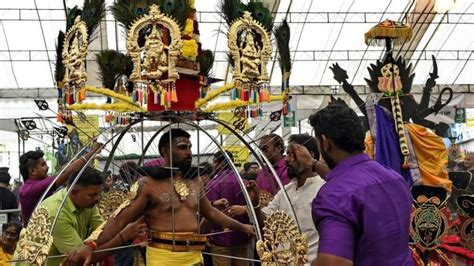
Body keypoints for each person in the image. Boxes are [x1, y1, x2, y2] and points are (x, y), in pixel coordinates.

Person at [63, 128, 255, 265]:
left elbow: (211, 212)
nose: (189, 152)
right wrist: (91, 245)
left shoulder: (195, 182)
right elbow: (119, 219)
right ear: (165, 151)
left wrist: (243, 227)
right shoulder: (148, 184)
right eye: (182, 147)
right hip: (164, 258)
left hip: (195, 257)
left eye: (189, 147)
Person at [293, 104, 412, 265]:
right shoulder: (394, 178)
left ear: (325, 142)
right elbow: (351, 186)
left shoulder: (333, 195)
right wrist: (312, 163)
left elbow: (333, 263)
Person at [13, 166, 146, 266]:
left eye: (99, 193)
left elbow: (101, 232)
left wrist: (124, 227)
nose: (98, 199)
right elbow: (82, 258)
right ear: (75, 192)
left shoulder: (88, 203)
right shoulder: (56, 213)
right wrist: (123, 236)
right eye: (93, 195)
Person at [246, 134, 326, 265]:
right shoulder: (287, 190)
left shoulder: (322, 188)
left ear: (308, 155)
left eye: (292, 154)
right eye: (287, 154)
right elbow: (265, 221)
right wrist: (255, 203)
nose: (287, 160)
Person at [19, 142, 102, 225]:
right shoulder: (31, 189)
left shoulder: (33, 186)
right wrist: (92, 152)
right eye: (43, 165)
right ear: (32, 171)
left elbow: (64, 171)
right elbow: (65, 173)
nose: (47, 168)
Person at [206, 150, 250, 266]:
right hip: (242, 236)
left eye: (214, 162)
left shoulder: (213, 184)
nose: (213, 166)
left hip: (220, 238)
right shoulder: (245, 183)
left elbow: (209, 213)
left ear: (218, 163)